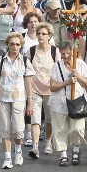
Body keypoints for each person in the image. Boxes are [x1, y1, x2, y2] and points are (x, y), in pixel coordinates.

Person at [0, 32, 35, 169]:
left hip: (19, 99)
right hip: (2, 98)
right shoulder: (1, 61)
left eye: (17, 44)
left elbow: (28, 84)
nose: (14, 46)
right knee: (5, 130)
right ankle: (7, 158)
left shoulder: (25, 61)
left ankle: (18, 150)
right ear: (7, 45)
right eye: (12, 44)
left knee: (18, 131)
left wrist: (30, 102)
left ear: (21, 46)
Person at [46, 40, 87, 166]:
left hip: (77, 101)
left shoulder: (80, 64)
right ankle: (63, 154)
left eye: (68, 53)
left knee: (77, 128)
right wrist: (66, 82)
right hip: (59, 102)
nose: (65, 56)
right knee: (60, 129)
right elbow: (52, 87)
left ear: (73, 52)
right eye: (63, 54)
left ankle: (76, 149)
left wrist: (79, 76)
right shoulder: (56, 66)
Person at [29, 22, 58, 159]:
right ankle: (35, 147)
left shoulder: (54, 51)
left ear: (49, 36)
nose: (40, 36)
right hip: (34, 88)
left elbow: (59, 69)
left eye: (43, 34)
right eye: (39, 33)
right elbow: (26, 69)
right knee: (35, 119)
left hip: (50, 89)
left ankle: (48, 142)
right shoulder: (32, 50)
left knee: (49, 118)